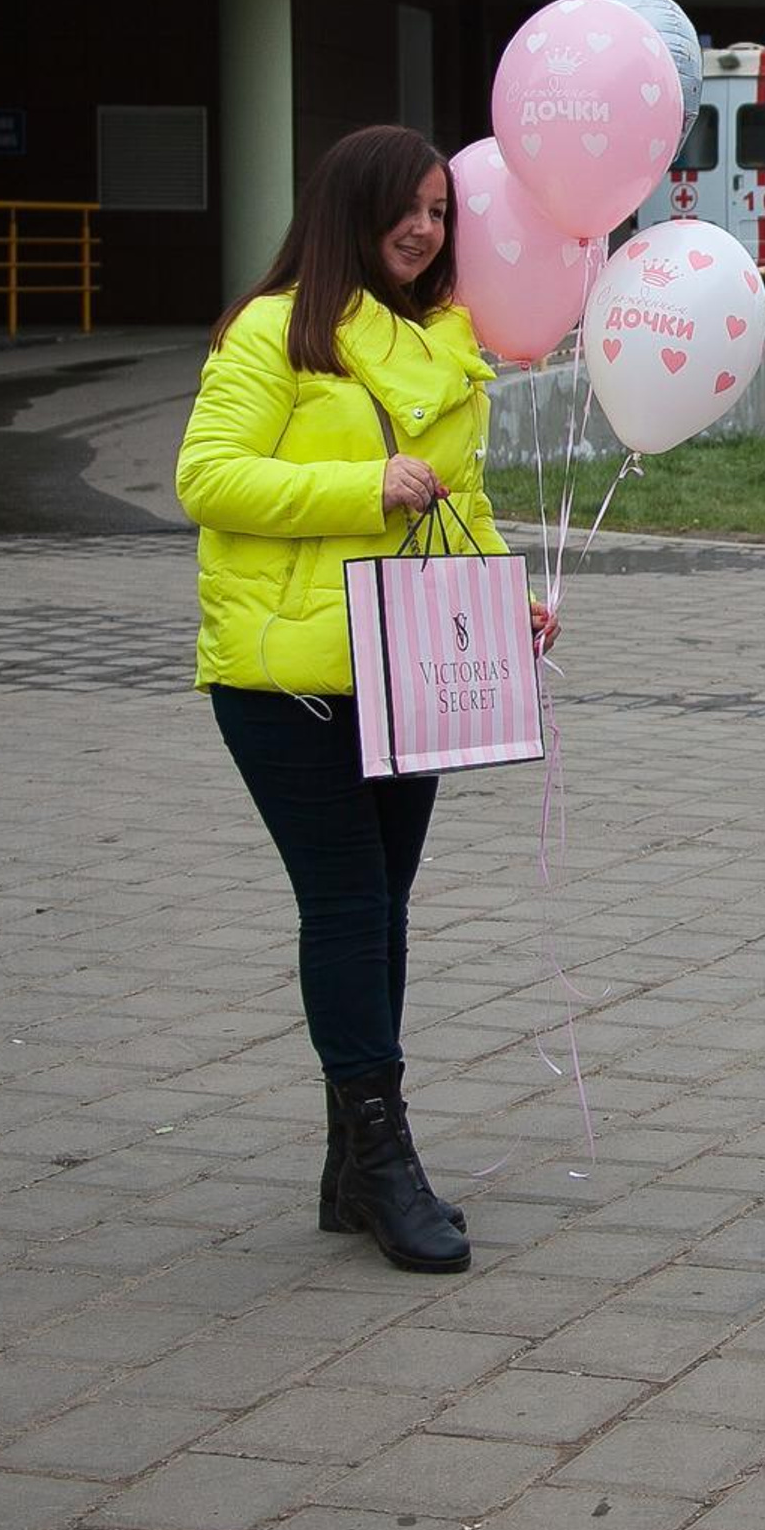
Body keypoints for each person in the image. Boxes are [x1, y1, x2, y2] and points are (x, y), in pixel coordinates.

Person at [176, 126, 555, 1276]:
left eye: (441, 211)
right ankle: (387, 1161)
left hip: (412, 672)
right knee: (346, 906)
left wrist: (510, 601)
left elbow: (461, 504)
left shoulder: (449, 343)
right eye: (406, 207)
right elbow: (206, 474)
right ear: (351, 207)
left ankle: (350, 1167)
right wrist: (362, 485)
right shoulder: (275, 329)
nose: (425, 229)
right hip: (285, 677)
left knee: (384, 906)